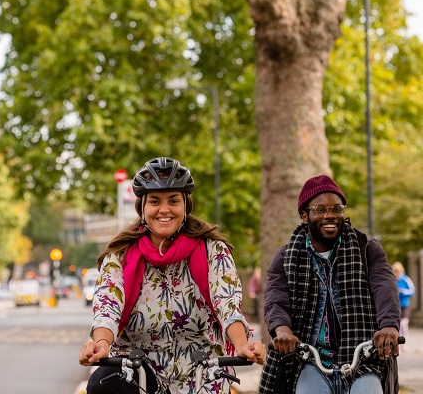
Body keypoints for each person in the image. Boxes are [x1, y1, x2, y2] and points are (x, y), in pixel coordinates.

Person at [78, 157, 266, 394]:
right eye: (155, 201)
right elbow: (108, 309)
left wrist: (242, 345)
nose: (164, 210)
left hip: (202, 372)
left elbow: (227, 305)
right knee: (100, 383)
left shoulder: (213, 250)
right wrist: (102, 345)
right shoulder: (120, 255)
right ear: (142, 208)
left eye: (173, 201)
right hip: (139, 372)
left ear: (185, 206)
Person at [258, 175, 401, 394]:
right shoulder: (286, 256)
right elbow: (276, 297)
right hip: (310, 360)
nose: (330, 216)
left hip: (362, 358)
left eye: (337, 209)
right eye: (321, 209)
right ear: (305, 216)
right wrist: (283, 330)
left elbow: (385, 286)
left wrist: (389, 325)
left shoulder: (367, 249)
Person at [392, 261, 416, 339]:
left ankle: (404, 340)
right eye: (395, 272)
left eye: (398, 272)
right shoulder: (392, 280)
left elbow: (413, 291)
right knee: (396, 324)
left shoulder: (406, 279)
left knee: (404, 323)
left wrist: (403, 291)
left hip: (405, 305)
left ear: (401, 271)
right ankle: (397, 340)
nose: (397, 274)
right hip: (395, 305)